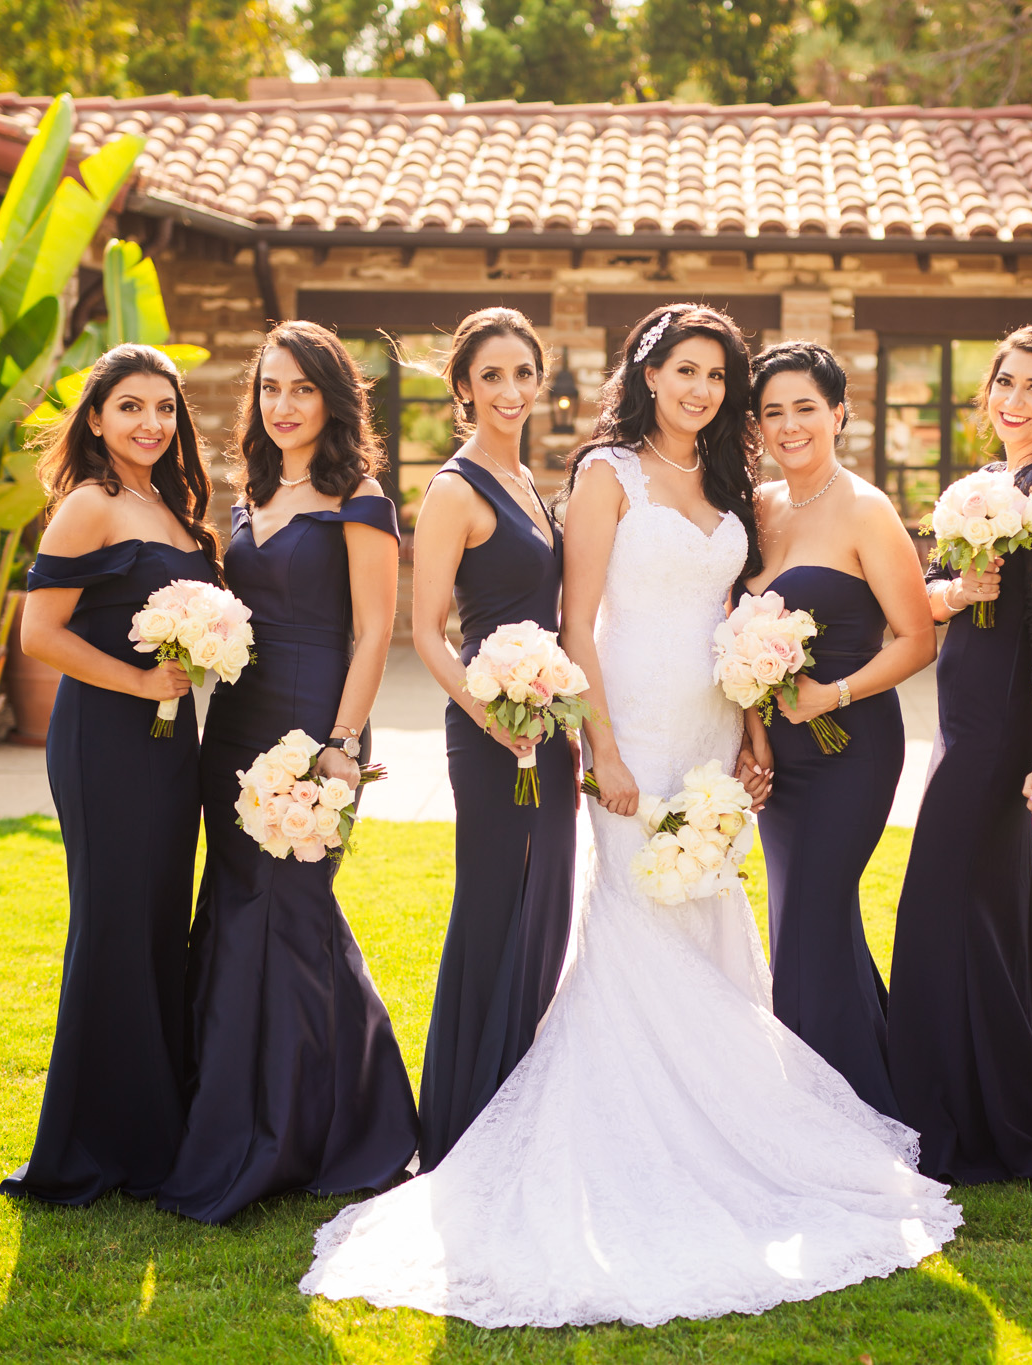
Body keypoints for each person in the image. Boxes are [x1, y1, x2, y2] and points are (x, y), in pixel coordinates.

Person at [298, 306, 959, 1329]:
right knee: (634, 921)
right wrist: (598, 746)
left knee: (703, 914)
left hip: (710, 724)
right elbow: (576, 622)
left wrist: (748, 725)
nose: (698, 388)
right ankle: (634, 1141)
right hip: (632, 729)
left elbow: (741, 616)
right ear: (648, 374)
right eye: (681, 369)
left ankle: (723, 1127)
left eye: (713, 375)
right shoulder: (606, 473)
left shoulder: (733, 486)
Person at [155, 321, 419, 1223]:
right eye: (270, 388)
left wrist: (343, 744)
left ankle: (336, 1127)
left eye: (302, 388)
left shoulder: (362, 496)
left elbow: (378, 627)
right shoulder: (250, 492)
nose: (284, 405)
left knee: (294, 915)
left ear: (333, 398)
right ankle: (230, 1115)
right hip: (236, 723)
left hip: (317, 724)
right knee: (235, 916)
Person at [1, 344, 220, 1206]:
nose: (151, 424)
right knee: (114, 923)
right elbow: (39, 636)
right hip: (106, 738)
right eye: (131, 407)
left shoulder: (172, 503)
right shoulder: (88, 505)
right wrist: (139, 680)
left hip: (173, 741)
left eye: (165, 409)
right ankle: (91, 1144)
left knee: (160, 922)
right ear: (96, 418)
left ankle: (155, 1128)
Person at [886, 324, 1032, 1184]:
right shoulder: (990, 483)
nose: (1013, 399)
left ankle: (954, 1115)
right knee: (979, 908)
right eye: (1004, 383)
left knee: (940, 901)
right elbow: (941, 595)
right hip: (960, 712)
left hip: (1000, 719)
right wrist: (948, 590)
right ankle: (992, 1100)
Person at [742, 340, 934, 1121]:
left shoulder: (866, 507)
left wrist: (833, 695)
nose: (791, 425)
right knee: (806, 924)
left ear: (839, 414)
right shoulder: (757, 507)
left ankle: (829, 1119)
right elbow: (739, 638)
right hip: (782, 758)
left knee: (812, 925)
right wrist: (755, 737)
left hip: (852, 748)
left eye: (806, 409)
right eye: (774, 412)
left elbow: (918, 637)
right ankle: (876, 1090)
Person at [408, 307, 575, 1172]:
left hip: (549, 726)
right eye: (490, 377)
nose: (509, 391)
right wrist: (489, 715)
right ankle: (463, 1116)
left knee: (545, 903)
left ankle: (521, 1097)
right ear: (465, 389)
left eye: (522, 374)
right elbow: (427, 628)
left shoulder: (529, 484)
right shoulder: (455, 488)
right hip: (489, 730)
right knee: (490, 905)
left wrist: (553, 717)